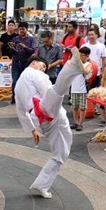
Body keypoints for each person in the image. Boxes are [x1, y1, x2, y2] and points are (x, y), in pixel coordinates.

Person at [14, 48, 84, 198]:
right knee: (56, 91)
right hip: (44, 110)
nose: (44, 69)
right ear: (33, 63)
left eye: (45, 68)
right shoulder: (34, 73)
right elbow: (47, 90)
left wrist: (33, 130)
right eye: (43, 66)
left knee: (61, 153)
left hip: (41, 120)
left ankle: (41, 184)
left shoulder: (18, 85)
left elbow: (20, 110)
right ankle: (72, 65)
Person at [10, 21, 36, 104]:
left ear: (27, 29)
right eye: (20, 29)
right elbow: (12, 52)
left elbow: (32, 51)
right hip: (16, 62)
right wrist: (12, 47)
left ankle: (25, 99)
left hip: (26, 63)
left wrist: (25, 47)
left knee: (26, 82)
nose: (21, 31)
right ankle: (14, 98)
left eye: (23, 29)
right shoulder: (15, 39)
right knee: (15, 81)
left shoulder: (31, 39)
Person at [70, 47, 94, 131]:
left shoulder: (88, 64)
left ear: (87, 56)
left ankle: (80, 123)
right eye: (79, 55)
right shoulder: (75, 63)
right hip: (73, 88)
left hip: (82, 90)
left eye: (82, 55)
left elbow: (86, 71)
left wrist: (79, 63)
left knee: (82, 108)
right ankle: (75, 122)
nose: (80, 57)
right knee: (74, 107)